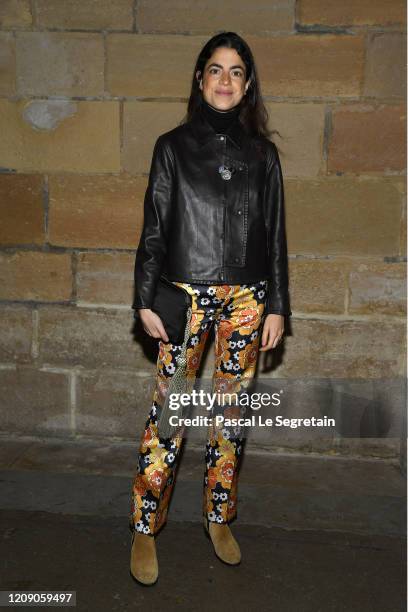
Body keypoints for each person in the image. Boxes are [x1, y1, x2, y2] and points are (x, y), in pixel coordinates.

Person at [129, 31, 292, 586]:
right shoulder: (171, 147)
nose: (226, 80)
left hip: (248, 301)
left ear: (247, 87)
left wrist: (278, 307)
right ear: (200, 81)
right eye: (216, 70)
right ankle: (146, 526)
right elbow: (154, 230)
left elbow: (275, 239)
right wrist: (144, 298)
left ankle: (219, 517)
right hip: (184, 296)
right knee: (170, 416)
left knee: (230, 417)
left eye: (237, 72)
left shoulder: (264, 156)